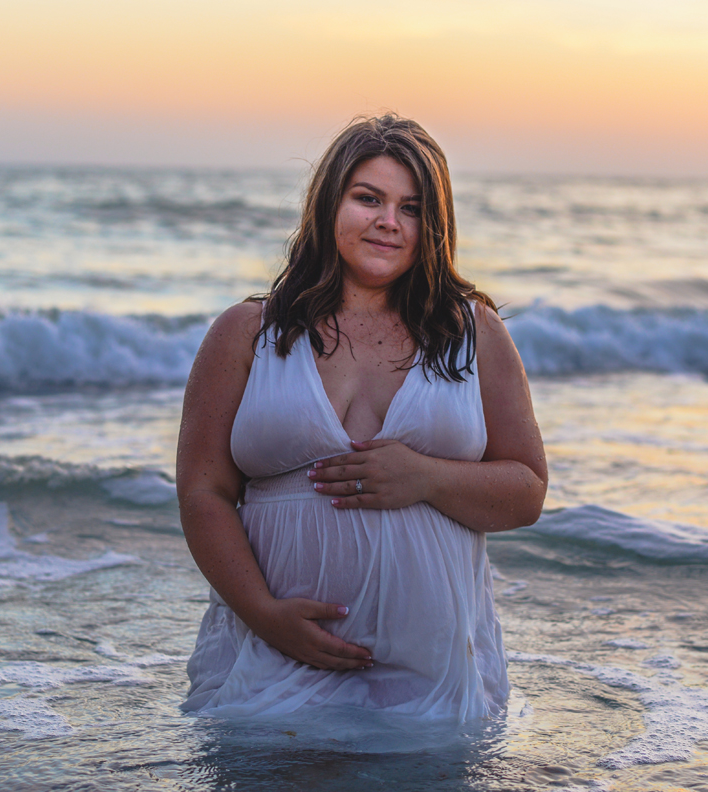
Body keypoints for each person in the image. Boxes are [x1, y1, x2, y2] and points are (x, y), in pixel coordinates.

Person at [175, 114, 547, 722]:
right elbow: (203, 491)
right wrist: (264, 614)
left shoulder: (474, 333)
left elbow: (527, 492)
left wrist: (427, 477)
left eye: (412, 207)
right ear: (329, 205)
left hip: (430, 677)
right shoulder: (247, 333)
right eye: (368, 198)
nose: (388, 222)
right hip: (272, 661)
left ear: (435, 225)